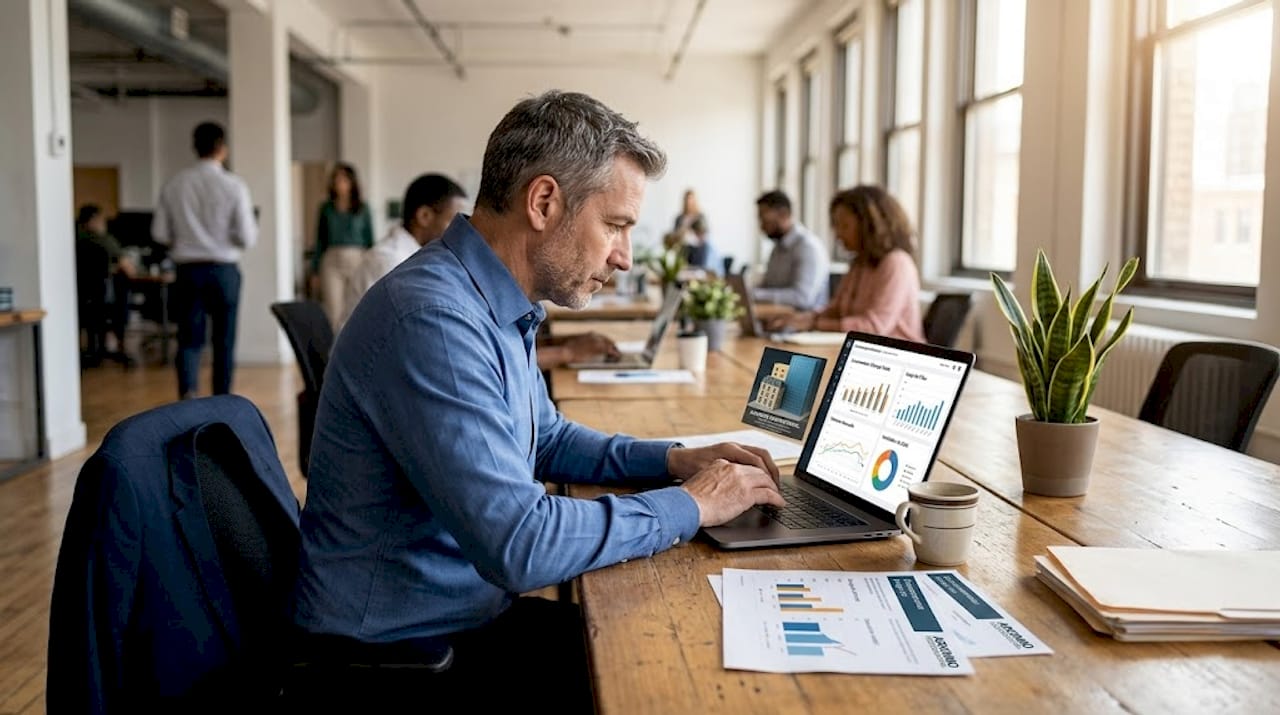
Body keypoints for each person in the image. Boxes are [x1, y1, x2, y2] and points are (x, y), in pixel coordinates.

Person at [292, 90, 785, 712]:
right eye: (616, 225)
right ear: (545, 202)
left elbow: (544, 436)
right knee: (683, 684)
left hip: (454, 619)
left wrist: (672, 461)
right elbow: (522, 545)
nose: (625, 258)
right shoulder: (434, 319)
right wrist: (691, 504)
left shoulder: (492, 301)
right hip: (400, 660)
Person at [339, 172, 621, 369]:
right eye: (613, 226)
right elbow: (471, 360)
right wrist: (566, 352)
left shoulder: (432, 267)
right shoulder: (400, 273)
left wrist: (565, 343)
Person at [152, 121, 257, 400]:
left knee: (188, 340)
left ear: (194, 147)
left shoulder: (175, 184)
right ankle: (221, 401)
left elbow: (159, 233)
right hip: (223, 270)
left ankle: (188, 396)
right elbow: (247, 237)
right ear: (223, 149)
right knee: (224, 342)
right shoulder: (234, 186)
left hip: (187, 271)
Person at [766, 185, 924, 342]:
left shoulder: (896, 263)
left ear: (869, 225)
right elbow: (837, 310)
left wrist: (814, 323)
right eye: (836, 226)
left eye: (844, 226)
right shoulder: (859, 263)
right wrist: (801, 318)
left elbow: (874, 328)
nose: (838, 235)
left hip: (896, 359)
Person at [338, 173, 468, 332]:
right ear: (424, 216)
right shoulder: (390, 261)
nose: (459, 233)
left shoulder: (416, 258)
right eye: (453, 222)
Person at [312, 162, 375, 328]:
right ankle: (334, 351)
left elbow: (370, 240)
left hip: (357, 259)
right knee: (334, 311)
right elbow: (319, 241)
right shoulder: (326, 208)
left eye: (343, 179)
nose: (339, 183)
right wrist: (314, 270)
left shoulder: (363, 208)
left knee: (356, 308)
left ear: (352, 182)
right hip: (332, 261)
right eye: (336, 179)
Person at [74, 204, 137, 367]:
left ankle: (94, 349)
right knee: (122, 293)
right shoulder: (105, 240)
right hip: (107, 299)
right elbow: (129, 270)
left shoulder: (73, 240)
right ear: (94, 221)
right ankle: (116, 345)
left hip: (80, 300)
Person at [752, 190, 829, 310]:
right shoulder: (777, 248)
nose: (761, 226)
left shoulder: (807, 247)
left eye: (764, 219)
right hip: (775, 320)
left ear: (784, 214)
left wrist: (755, 294)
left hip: (802, 324)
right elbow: (768, 286)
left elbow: (801, 298)